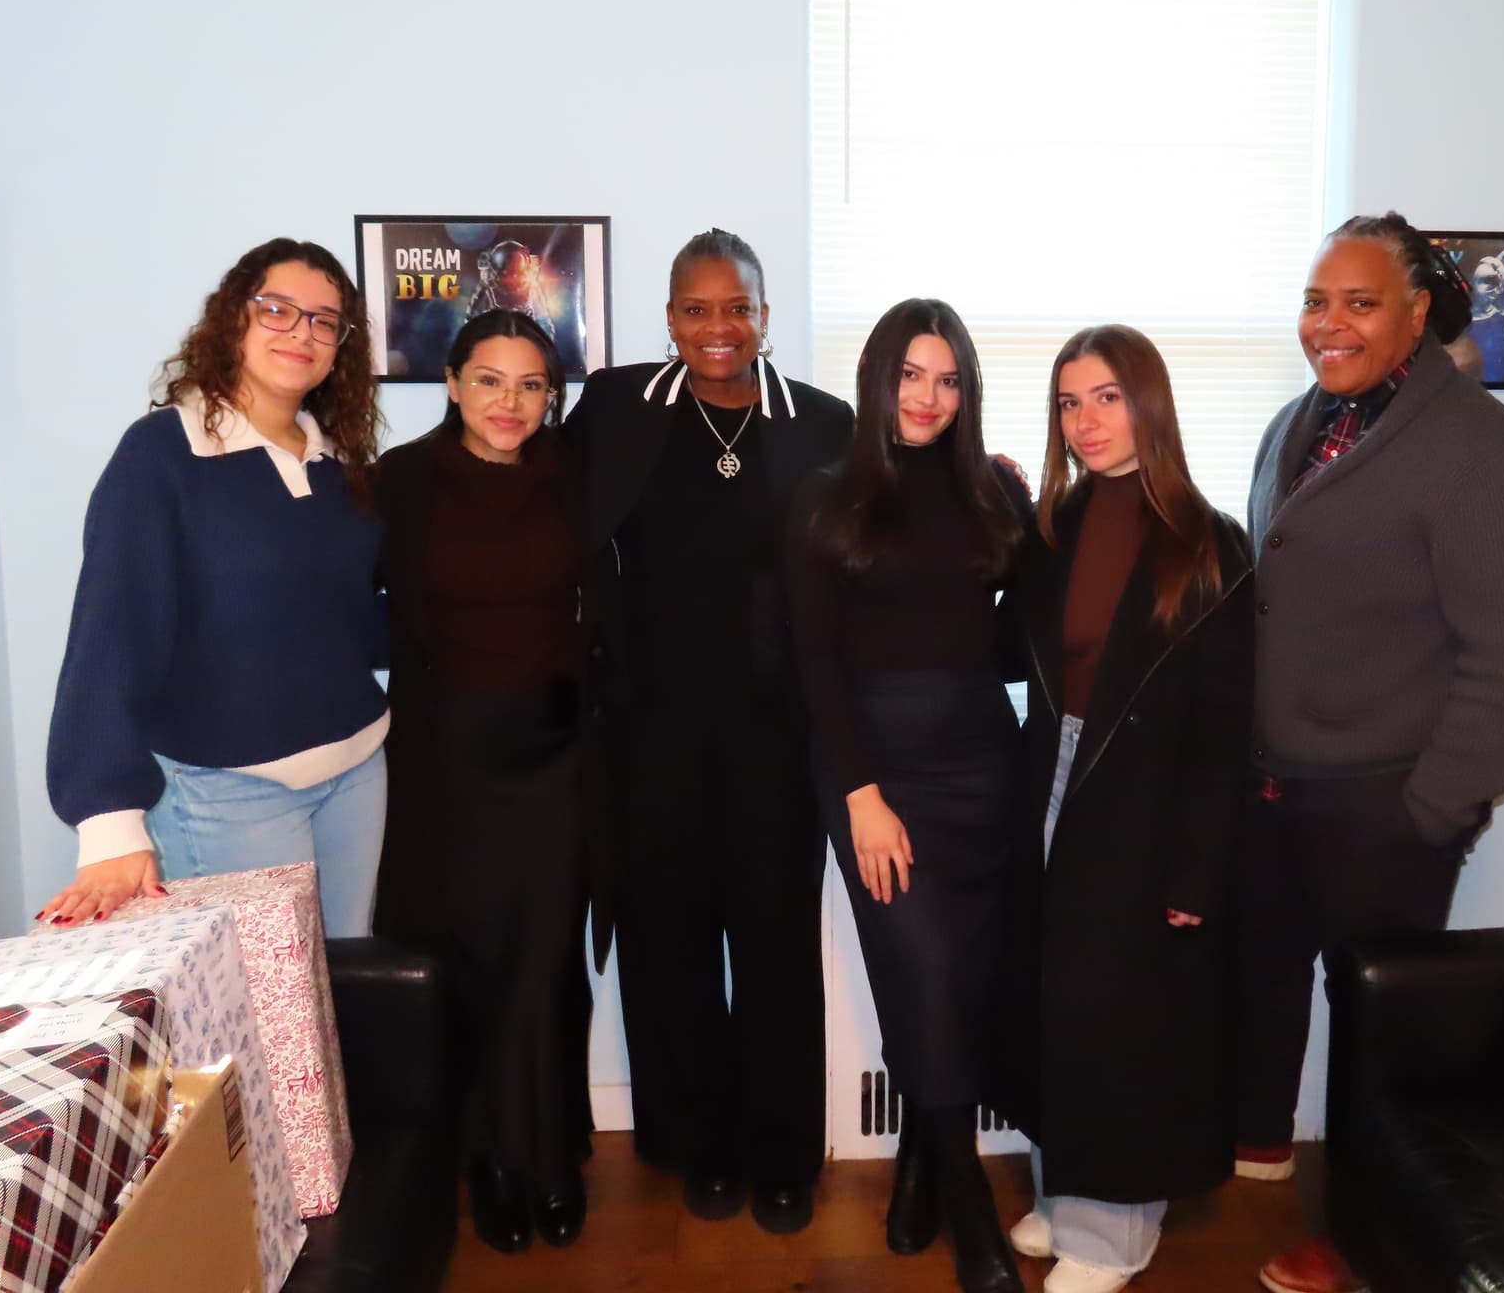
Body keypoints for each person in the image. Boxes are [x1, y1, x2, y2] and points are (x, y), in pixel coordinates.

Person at [1239, 212, 1504, 1293]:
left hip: (1383, 806)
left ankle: (1362, 1241)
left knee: (1378, 1039)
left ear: (1416, 314)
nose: (1327, 323)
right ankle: (1278, 1171)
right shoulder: (1297, 423)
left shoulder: (1479, 450)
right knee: (1266, 991)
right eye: (1314, 300)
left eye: (1358, 302)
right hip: (1275, 788)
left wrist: (1429, 811)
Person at [565, 228, 853, 1233]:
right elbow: (532, 494)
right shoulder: (615, 409)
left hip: (778, 745)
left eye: (737, 308)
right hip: (648, 740)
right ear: (670, 319)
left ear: (764, 317)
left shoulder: (822, 424)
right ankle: (702, 1145)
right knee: (670, 948)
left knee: (777, 948)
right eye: (697, 308)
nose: (717, 327)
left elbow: (874, 540)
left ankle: (782, 1154)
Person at [994, 326, 1253, 1293]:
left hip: (1148, 800)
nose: (1087, 421)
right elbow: (1009, 652)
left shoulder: (1208, 541)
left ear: (1148, 402)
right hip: (1050, 778)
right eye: (1070, 402)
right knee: (1058, 1005)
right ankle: (1069, 1199)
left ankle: (1116, 1234)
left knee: (1124, 1019)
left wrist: (1198, 868)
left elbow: (1225, 725)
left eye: (1106, 397)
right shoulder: (1051, 526)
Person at [36, 238, 387, 937]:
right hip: (228, 796)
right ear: (234, 319)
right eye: (277, 310)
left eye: (324, 321)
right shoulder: (162, 455)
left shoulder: (335, 461)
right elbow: (112, 632)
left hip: (357, 773)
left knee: (342, 988)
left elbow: (345, 616)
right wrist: (108, 819)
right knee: (262, 1004)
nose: (302, 333)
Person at [784, 299, 1030, 1293]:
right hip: (876, 774)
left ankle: (921, 1161)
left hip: (984, 764)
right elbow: (814, 660)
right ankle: (968, 1206)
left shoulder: (993, 493)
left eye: (947, 379)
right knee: (921, 974)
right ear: (877, 379)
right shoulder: (825, 497)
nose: (927, 397)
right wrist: (859, 793)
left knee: (964, 984)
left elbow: (1014, 635)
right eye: (910, 375)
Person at [373, 309, 591, 1255]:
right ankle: (492, 1160)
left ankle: (551, 1154)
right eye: (490, 380)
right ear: (453, 383)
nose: (510, 403)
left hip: (557, 755)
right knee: (470, 962)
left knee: (545, 964)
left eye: (531, 385)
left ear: (553, 397)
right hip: (445, 763)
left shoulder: (577, 475)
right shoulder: (400, 482)